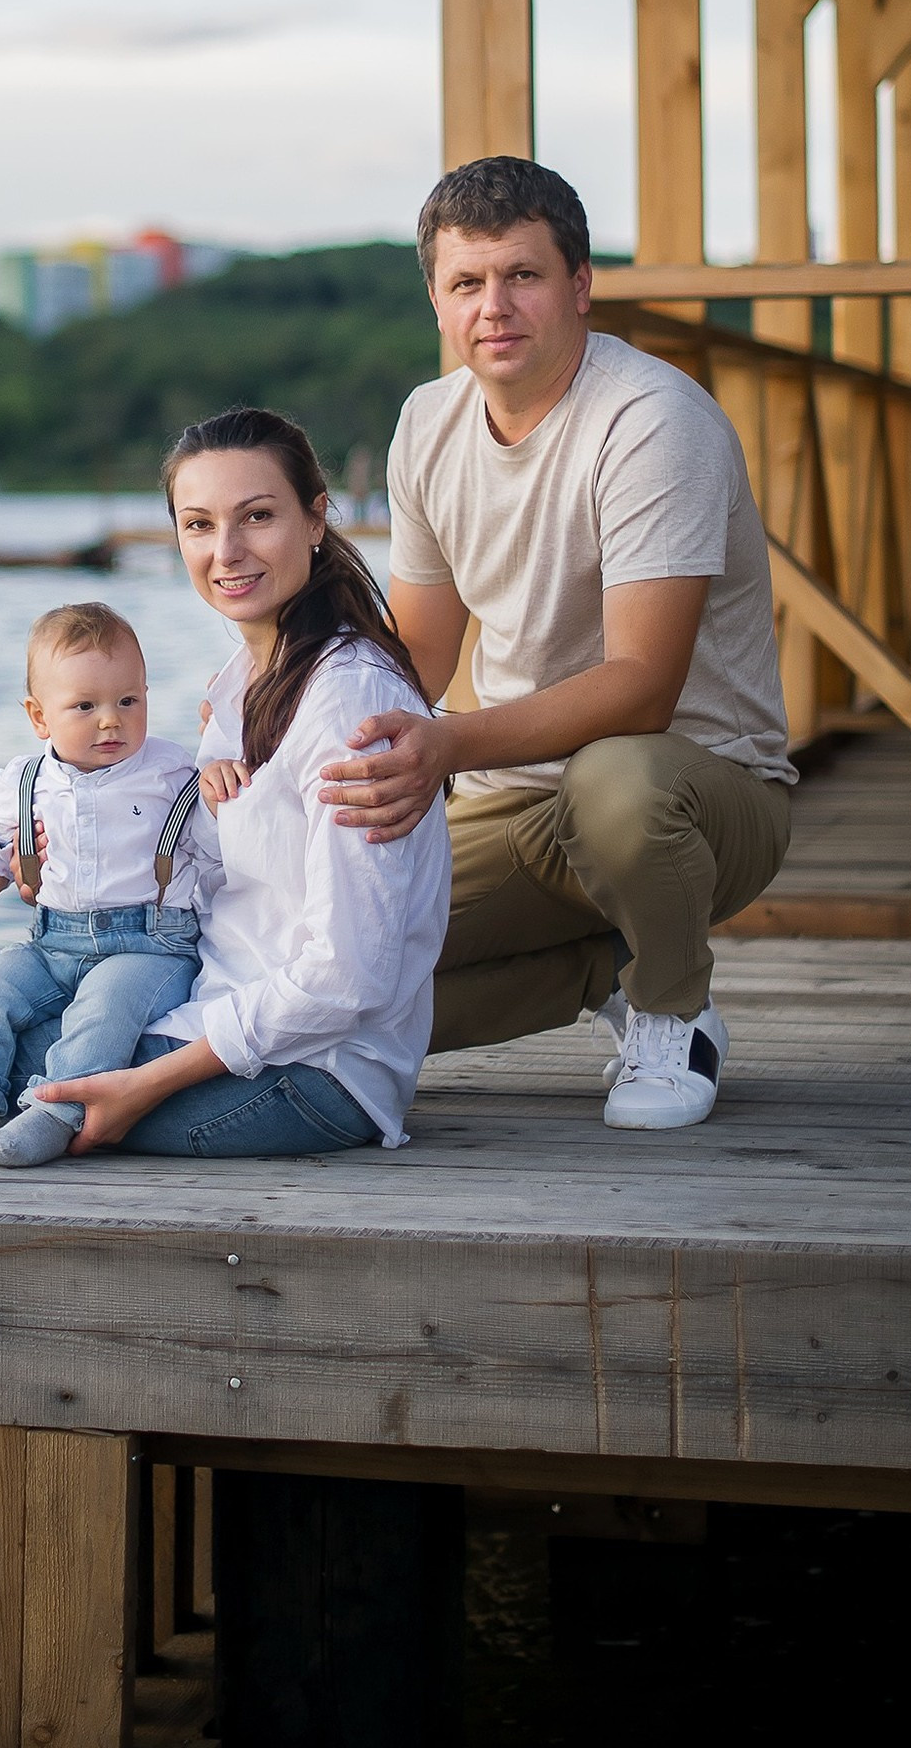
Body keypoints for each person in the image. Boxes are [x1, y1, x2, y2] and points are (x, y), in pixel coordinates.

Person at [0, 405, 453, 1563]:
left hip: (314, 1072)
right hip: (208, 1007)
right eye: (197, 524)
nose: (226, 550)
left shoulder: (347, 702)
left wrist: (146, 1083)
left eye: (257, 516)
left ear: (317, 519)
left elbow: (344, 977)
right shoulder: (229, 685)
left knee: (13, 1108)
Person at [317, 155, 794, 1133]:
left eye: (521, 275)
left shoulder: (650, 422)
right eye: (465, 282)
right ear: (437, 302)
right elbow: (417, 652)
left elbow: (639, 691)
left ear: (578, 286)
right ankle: (597, 973)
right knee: (336, 987)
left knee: (613, 779)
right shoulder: (427, 422)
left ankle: (673, 1011)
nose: (493, 306)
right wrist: (273, 715)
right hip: (513, 803)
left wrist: (445, 745)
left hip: (695, 797)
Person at [0, 599, 218, 1175]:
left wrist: (220, 780)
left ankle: (54, 1112)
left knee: (103, 1012)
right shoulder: (27, 780)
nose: (111, 720)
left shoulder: (171, 773)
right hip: (52, 942)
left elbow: (218, 853)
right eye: (84, 706)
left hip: (148, 946)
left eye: (128, 701)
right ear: (40, 718)